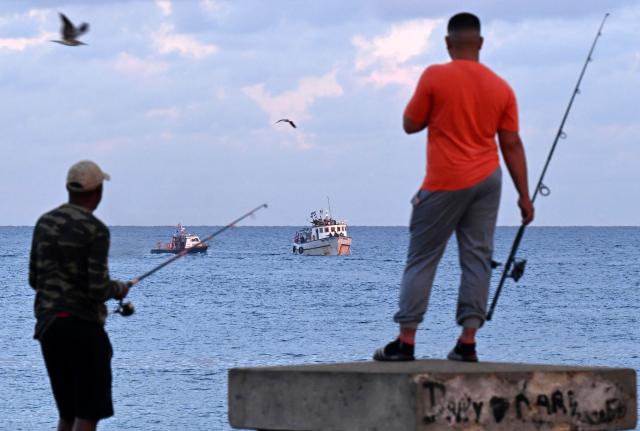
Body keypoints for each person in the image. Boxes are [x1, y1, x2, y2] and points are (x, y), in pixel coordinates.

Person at [374, 12, 534, 363]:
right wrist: (524, 195)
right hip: (489, 179)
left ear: (448, 44)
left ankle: (406, 342)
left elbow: (410, 124)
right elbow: (511, 143)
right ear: (480, 43)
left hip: (445, 179)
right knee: (477, 259)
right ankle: (468, 343)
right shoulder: (501, 86)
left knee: (422, 258)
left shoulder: (435, 76)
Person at [29, 160, 134, 431]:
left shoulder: (44, 223)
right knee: (87, 413)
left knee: (67, 412)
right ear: (98, 192)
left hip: (49, 327)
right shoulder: (95, 229)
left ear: (69, 189)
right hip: (82, 328)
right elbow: (98, 288)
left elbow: (34, 279)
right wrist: (119, 288)